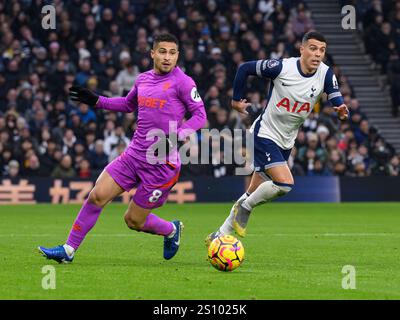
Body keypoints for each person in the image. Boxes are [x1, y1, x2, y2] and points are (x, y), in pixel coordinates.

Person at [38, 33, 207, 263]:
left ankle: (171, 230)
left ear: (178, 55)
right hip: (134, 155)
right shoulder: (143, 79)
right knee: (96, 196)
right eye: (162, 52)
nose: (167, 57)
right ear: (153, 53)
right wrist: (96, 100)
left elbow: (200, 115)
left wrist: (178, 136)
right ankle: (68, 250)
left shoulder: (184, 82)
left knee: (133, 221)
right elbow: (128, 104)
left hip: (161, 165)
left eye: (172, 52)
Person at [206, 31, 349, 244]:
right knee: (284, 183)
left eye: (322, 50)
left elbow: (334, 94)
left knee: (253, 191)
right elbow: (244, 68)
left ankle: (219, 235)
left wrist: (340, 108)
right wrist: (236, 100)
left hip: (286, 141)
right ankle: (244, 209)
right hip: (264, 134)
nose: (317, 54)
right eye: (312, 48)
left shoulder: (326, 74)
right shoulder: (282, 67)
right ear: (302, 50)